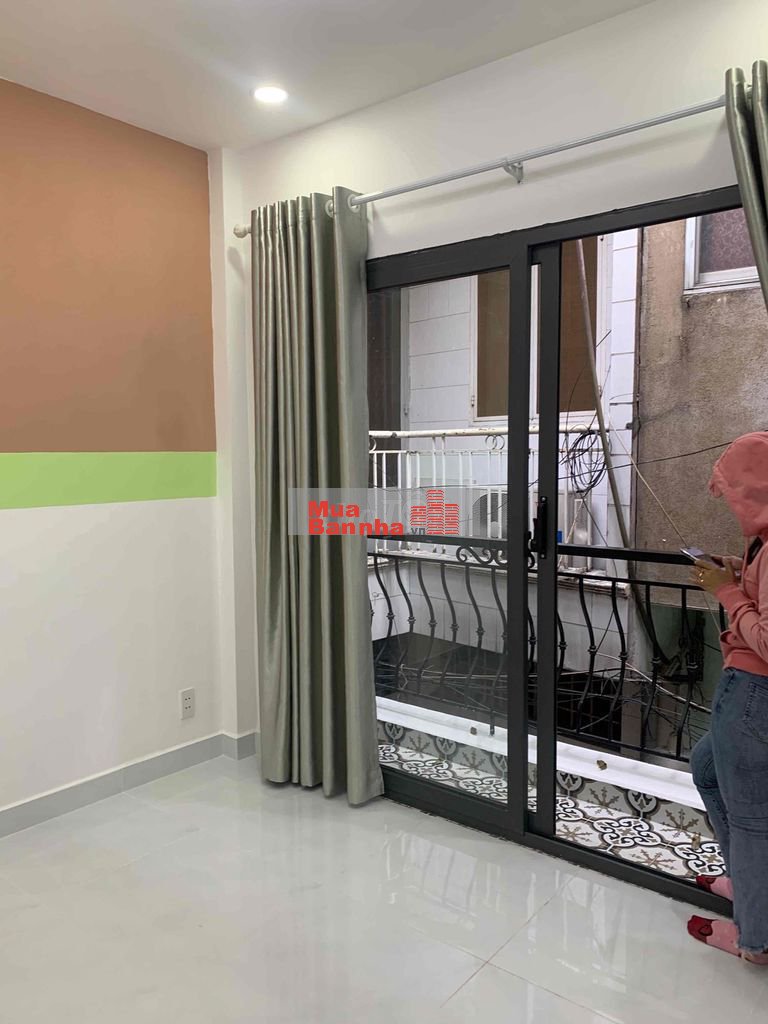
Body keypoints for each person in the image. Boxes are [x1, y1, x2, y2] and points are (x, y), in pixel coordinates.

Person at [688, 431, 768, 964]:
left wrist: (726, 591)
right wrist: (738, 573)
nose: (734, 506)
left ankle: (755, 939)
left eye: (737, 494)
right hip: (749, 693)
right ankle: (747, 883)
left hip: (756, 693)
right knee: (706, 769)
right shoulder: (762, 541)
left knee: (753, 819)